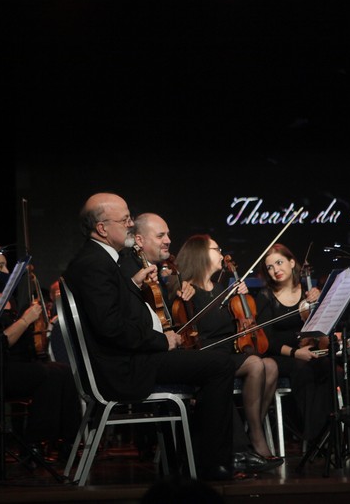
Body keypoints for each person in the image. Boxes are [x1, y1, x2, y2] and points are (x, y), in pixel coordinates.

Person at [62, 193, 236, 481]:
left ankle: (186, 458)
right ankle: (211, 464)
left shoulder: (98, 260)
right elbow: (111, 328)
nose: (130, 225)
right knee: (220, 365)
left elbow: (109, 310)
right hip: (123, 369)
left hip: (124, 361)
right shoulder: (96, 263)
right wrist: (162, 341)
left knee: (210, 361)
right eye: (125, 219)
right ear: (102, 228)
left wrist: (132, 283)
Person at [120, 213, 279, 473]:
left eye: (168, 235)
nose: (169, 241)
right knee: (226, 366)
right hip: (167, 355)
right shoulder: (152, 277)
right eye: (161, 236)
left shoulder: (213, 287)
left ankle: (236, 448)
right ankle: (232, 452)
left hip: (187, 351)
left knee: (261, 364)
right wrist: (173, 290)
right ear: (138, 240)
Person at [167, 233, 281, 469]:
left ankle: (252, 430)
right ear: (201, 255)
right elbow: (188, 324)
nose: (222, 254)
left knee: (270, 365)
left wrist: (240, 302)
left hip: (229, 350)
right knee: (256, 363)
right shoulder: (186, 290)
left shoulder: (220, 288)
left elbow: (234, 323)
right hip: (209, 355)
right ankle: (255, 441)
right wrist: (180, 288)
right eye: (217, 249)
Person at [0, 244, 81, 463]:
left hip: (13, 366)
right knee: (49, 375)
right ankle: (34, 443)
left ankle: (70, 443)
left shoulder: (9, 300)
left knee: (64, 372)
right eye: (0, 266)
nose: (7, 272)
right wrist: (26, 319)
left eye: (6, 266)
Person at [254, 243, 333, 446]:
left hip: (307, 351)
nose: (275, 270)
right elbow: (266, 340)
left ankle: (326, 434)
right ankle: (311, 436)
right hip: (281, 355)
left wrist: (318, 303)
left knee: (330, 368)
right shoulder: (264, 297)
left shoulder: (309, 293)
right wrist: (295, 353)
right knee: (304, 370)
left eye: (279, 263)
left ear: (291, 263)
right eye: (270, 267)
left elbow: (321, 330)